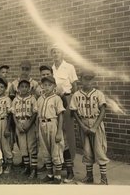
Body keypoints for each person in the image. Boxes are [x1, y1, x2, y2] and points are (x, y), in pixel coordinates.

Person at [69, 70, 110, 185]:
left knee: (99, 150)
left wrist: (95, 126)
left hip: (95, 122)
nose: (88, 81)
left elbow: (102, 111)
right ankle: (89, 176)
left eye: (90, 79)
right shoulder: (76, 95)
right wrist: (82, 126)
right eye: (85, 78)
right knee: (86, 151)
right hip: (83, 122)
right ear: (80, 79)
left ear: (93, 80)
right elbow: (74, 112)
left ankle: (104, 179)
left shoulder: (98, 94)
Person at [50, 44, 78, 183]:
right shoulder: (52, 68)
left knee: (67, 132)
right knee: (57, 131)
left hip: (67, 98)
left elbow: (75, 87)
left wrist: (73, 103)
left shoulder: (69, 67)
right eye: (53, 52)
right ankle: (59, 163)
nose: (56, 54)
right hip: (54, 100)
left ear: (63, 54)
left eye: (58, 52)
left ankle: (70, 164)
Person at [35, 75, 65, 184]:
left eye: (49, 85)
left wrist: (59, 132)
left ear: (54, 86)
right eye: (45, 85)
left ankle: (57, 176)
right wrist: (37, 131)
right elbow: (37, 116)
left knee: (55, 150)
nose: (47, 87)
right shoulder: (40, 99)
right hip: (42, 125)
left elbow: (61, 115)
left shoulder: (56, 98)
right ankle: (49, 174)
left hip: (52, 124)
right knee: (45, 151)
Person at [11, 77, 38, 179]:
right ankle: (27, 167)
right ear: (18, 88)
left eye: (26, 87)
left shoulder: (32, 99)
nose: (24, 89)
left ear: (29, 88)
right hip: (19, 123)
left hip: (29, 122)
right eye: (22, 86)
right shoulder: (15, 100)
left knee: (32, 146)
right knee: (23, 147)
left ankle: (34, 169)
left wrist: (29, 124)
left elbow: (35, 113)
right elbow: (13, 113)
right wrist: (17, 125)